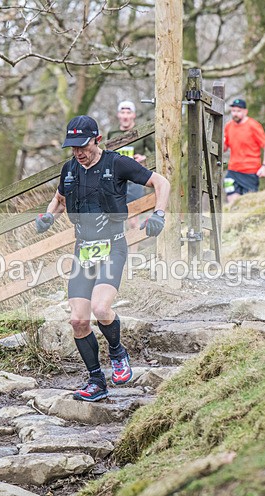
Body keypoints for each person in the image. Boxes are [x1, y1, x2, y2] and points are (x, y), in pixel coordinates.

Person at [36, 115, 170, 402]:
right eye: (73, 147)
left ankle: (118, 352)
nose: (78, 152)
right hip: (83, 250)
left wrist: (159, 213)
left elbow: (161, 182)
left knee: (100, 308)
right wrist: (48, 217)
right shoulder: (69, 169)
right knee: (77, 320)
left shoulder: (116, 163)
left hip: (112, 246)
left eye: (83, 146)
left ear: (97, 139)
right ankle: (96, 380)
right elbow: (59, 199)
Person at [106, 100, 154, 223]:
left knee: (133, 216)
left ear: (134, 115)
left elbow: (156, 151)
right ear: (118, 115)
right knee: (116, 215)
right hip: (116, 179)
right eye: (123, 113)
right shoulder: (112, 132)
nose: (125, 116)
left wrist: (144, 157)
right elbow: (107, 153)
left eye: (128, 113)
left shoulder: (142, 131)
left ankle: (135, 234)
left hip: (135, 178)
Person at [223, 98, 265, 206]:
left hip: (250, 172)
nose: (235, 114)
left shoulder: (253, 125)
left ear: (245, 111)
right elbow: (224, 147)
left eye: (238, 111)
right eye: (233, 111)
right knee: (232, 202)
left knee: (248, 205)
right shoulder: (228, 126)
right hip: (232, 171)